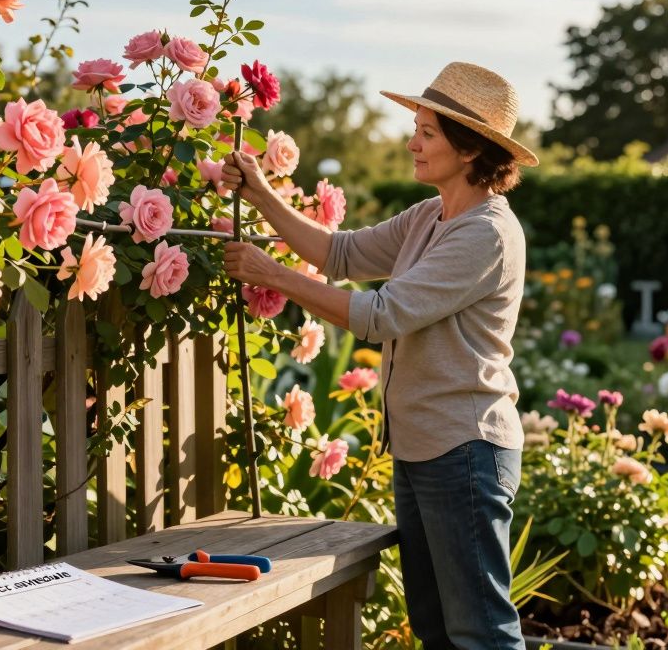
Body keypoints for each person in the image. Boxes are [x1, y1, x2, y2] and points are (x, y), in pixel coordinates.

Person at [221, 62, 537, 650]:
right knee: (436, 628)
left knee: (481, 632)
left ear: (469, 150)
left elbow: (382, 314)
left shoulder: (486, 233)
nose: (412, 141)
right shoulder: (430, 216)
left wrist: (273, 275)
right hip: (424, 448)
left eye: (427, 133)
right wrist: (261, 192)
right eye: (416, 126)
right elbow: (339, 253)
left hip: (465, 449)